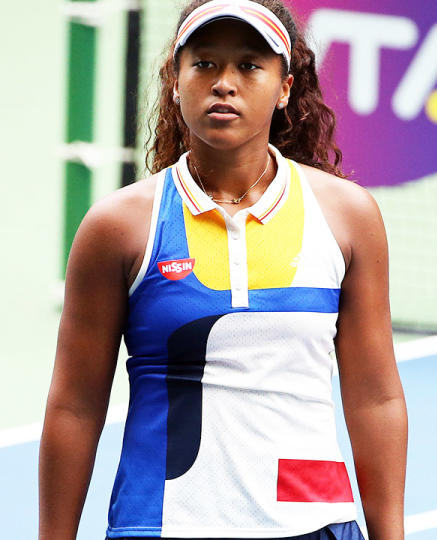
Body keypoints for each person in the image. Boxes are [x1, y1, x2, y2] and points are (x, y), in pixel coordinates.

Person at [39, 1, 407, 539]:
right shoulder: (119, 226)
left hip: (311, 522)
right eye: (205, 64)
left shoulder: (347, 215)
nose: (224, 83)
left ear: (284, 87)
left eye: (249, 66)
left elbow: (376, 396)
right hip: (161, 524)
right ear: (174, 81)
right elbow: (74, 405)